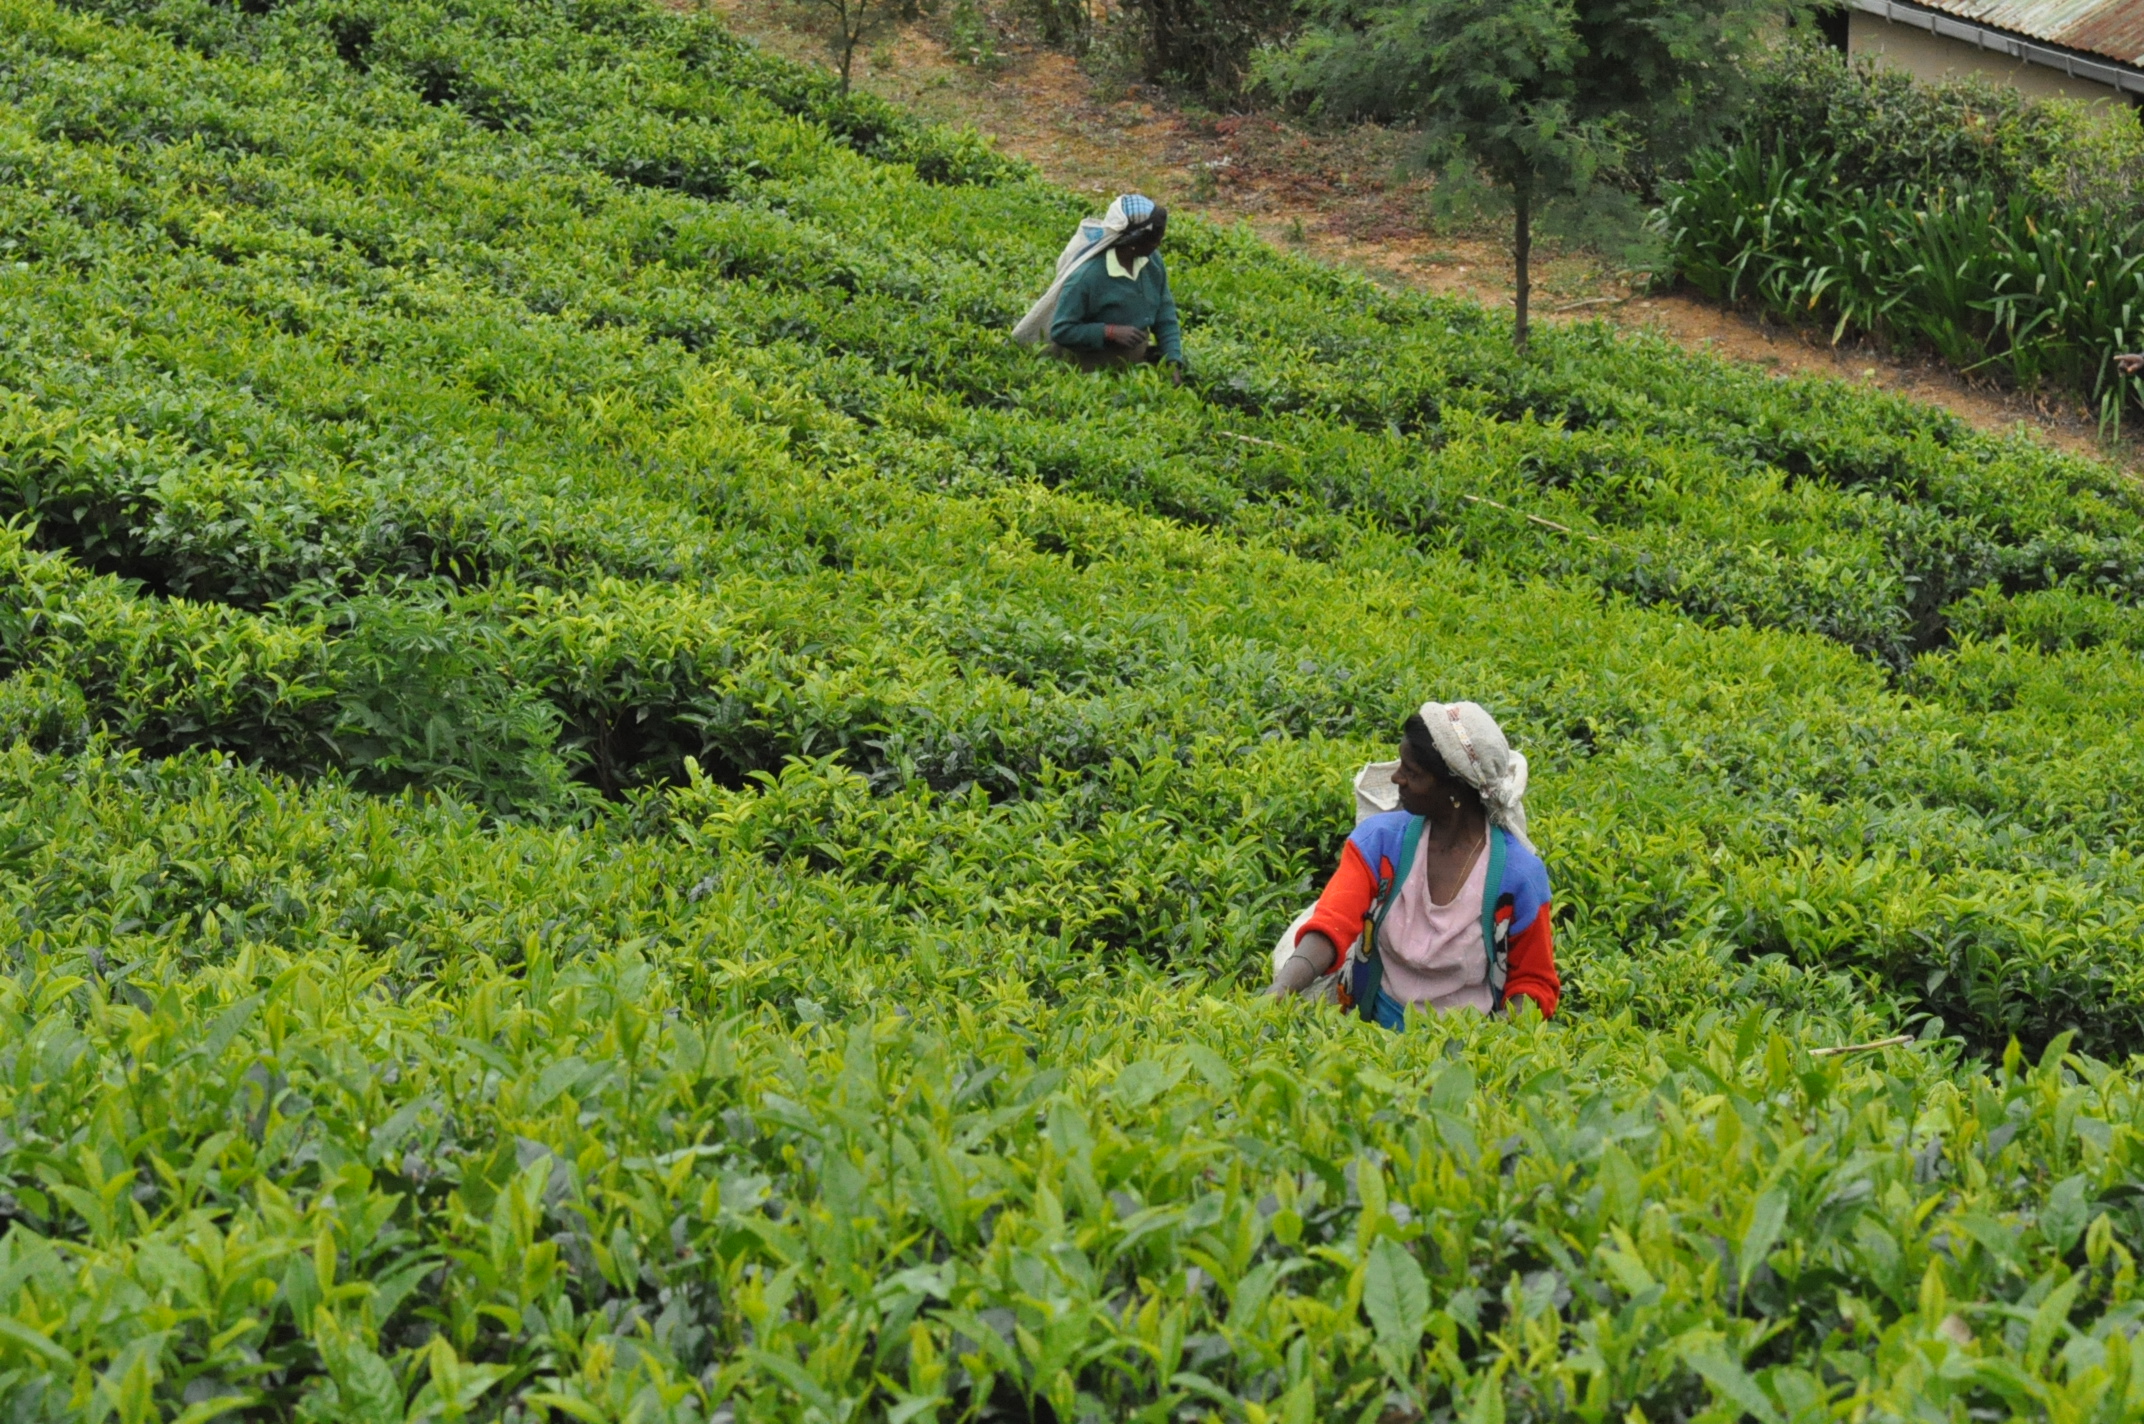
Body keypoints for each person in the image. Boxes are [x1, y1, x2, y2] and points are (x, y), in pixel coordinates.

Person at [1269, 701, 1559, 1025]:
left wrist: (1488, 1042)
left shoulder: (1518, 876)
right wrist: (1281, 988)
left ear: (1455, 789)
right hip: (1371, 1026)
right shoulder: (1379, 842)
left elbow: (1534, 982)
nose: (1397, 778)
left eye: (1411, 773)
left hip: (1465, 1036)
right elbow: (1333, 922)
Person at [1010, 193, 1185, 378]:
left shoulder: (1151, 261)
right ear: (1133, 242)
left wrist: (1173, 360)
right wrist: (1108, 332)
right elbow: (1062, 330)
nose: (1159, 245)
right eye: (1154, 241)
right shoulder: (1088, 276)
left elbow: (1165, 313)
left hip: (1134, 369)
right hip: (1092, 374)